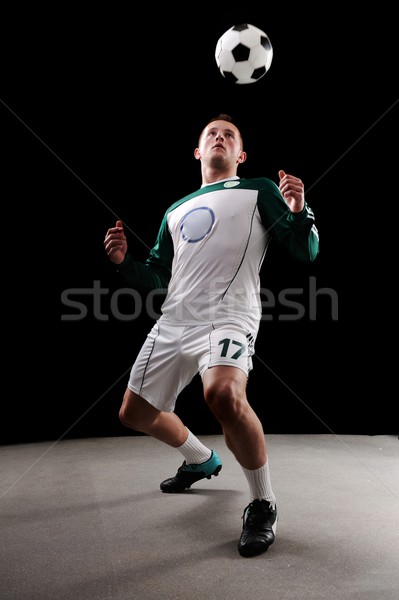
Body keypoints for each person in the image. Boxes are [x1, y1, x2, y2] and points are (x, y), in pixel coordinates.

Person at [103, 113, 319, 558]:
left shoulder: (258, 189)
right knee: (133, 413)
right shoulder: (175, 209)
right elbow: (157, 278)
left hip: (229, 314)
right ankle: (201, 459)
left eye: (229, 136)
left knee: (222, 393)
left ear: (240, 154)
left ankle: (262, 503)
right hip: (175, 320)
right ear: (199, 152)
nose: (219, 138)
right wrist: (126, 263)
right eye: (211, 135)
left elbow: (305, 249)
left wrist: (299, 211)